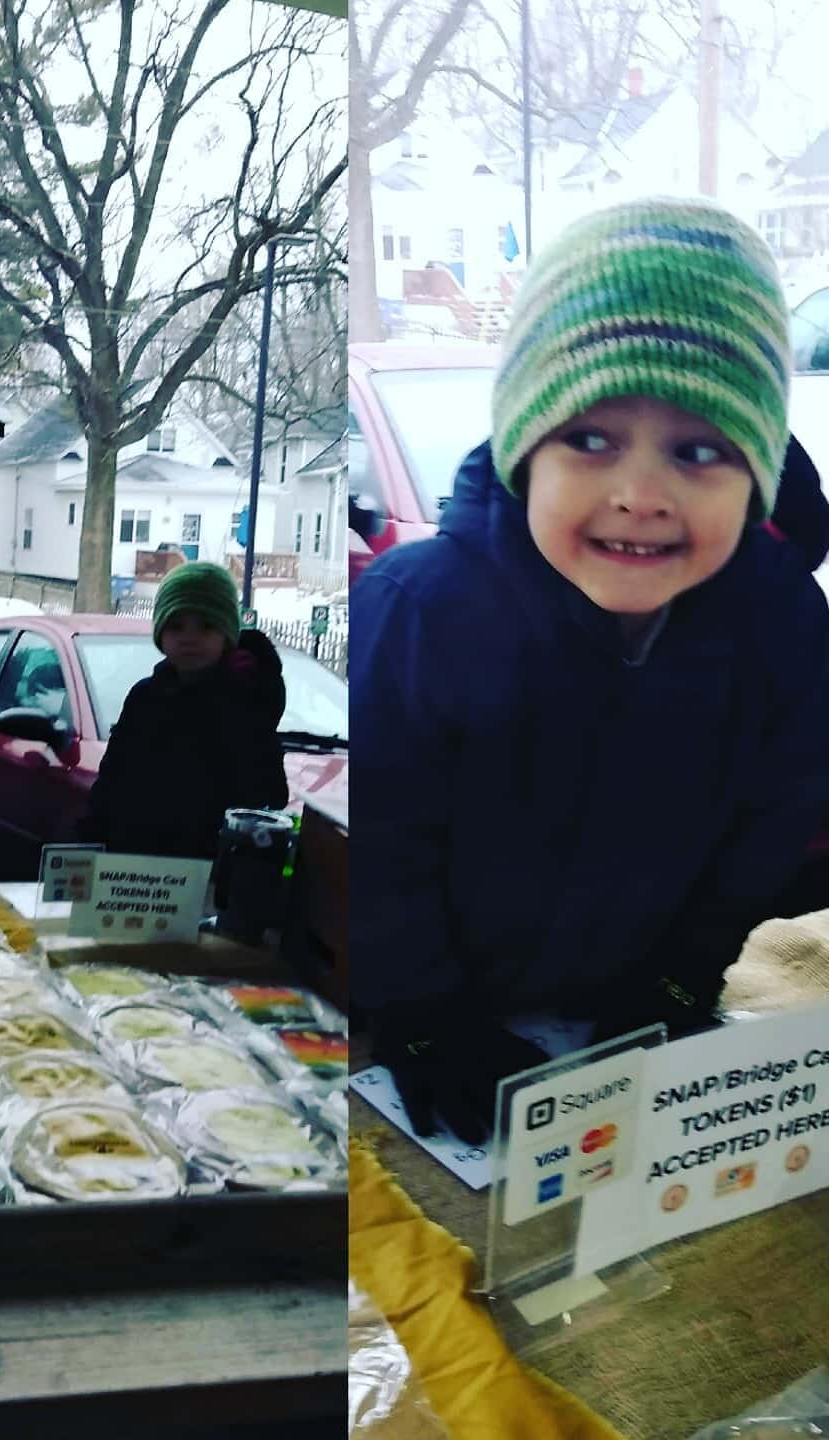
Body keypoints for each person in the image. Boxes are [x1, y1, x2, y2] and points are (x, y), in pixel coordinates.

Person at [349, 196, 829, 1145]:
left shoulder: (783, 626)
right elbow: (384, 848)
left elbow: (764, 832)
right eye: (591, 438)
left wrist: (679, 982)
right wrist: (425, 1015)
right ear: (528, 446)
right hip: (439, 1016)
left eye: (700, 451)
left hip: (625, 1015)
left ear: (760, 472)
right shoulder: (422, 613)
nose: (641, 494)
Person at [82, 561, 287, 859]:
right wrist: (90, 844)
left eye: (206, 626)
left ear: (227, 634)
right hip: (135, 873)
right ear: (160, 633)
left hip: (210, 873)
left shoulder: (246, 700)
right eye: (177, 626)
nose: (189, 637)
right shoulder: (144, 698)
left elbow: (268, 795)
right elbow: (111, 782)